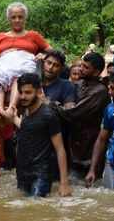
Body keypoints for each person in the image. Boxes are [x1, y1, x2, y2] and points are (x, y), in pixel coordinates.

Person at [1, 73, 72, 197]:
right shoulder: (26, 110)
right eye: (21, 92)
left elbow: (60, 149)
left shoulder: (48, 115)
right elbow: (27, 128)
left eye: (28, 92)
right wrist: (13, 118)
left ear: (38, 91)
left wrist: (64, 183)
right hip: (23, 173)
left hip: (41, 175)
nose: (23, 97)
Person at [0, 2, 52, 118]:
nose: (17, 20)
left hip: (24, 63)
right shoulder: (1, 36)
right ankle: (0, 110)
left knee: (19, 76)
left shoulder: (33, 35)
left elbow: (50, 50)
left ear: (25, 18)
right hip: (4, 64)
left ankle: (11, 108)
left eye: (20, 17)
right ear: (9, 19)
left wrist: (43, 54)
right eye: (13, 17)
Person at [51, 52, 110, 178]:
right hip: (73, 144)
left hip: (91, 146)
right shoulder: (78, 84)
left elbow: (74, 113)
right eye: (81, 65)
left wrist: (52, 104)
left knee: (90, 188)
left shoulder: (100, 91)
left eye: (86, 67)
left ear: (96, 72)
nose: (81, 69)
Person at [41, 49, 76, 181]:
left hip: (55, 145)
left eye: (55, 65)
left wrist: (49, 103)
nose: (50, 68)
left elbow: (70, 112)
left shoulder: (67, 86)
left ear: (61, 68)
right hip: (33, 142)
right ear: (43, 63)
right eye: (48, 63)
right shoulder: (34, 83)